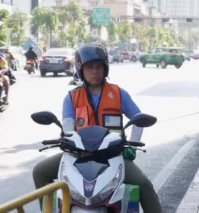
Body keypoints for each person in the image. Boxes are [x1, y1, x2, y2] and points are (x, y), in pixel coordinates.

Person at [32, 44, 162, 213]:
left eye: (99, 67)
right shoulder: (72, 97)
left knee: (143, 184)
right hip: (79, 155)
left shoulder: (118, 93)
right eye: (90, 67)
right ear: (81, 69)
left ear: (105, 69)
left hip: (113, 156)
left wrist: (132, 146)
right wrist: (67, 140)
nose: (95, 71)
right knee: (40, 171)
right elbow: (68, 125)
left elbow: (138, 118)